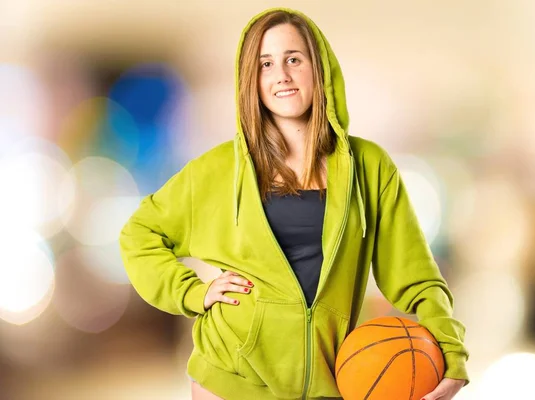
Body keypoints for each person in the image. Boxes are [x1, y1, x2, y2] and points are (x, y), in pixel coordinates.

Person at [119, 7, 469, 400]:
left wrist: (451, 352)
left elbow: (416, 276)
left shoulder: (370, 168)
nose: (281, 75)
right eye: (265, 64)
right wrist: (192, 292)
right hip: (230, 379)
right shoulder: (219, 169)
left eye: (293, 59)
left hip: (330, 381)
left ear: (318, 68)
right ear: (251, 79)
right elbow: (139, 234)